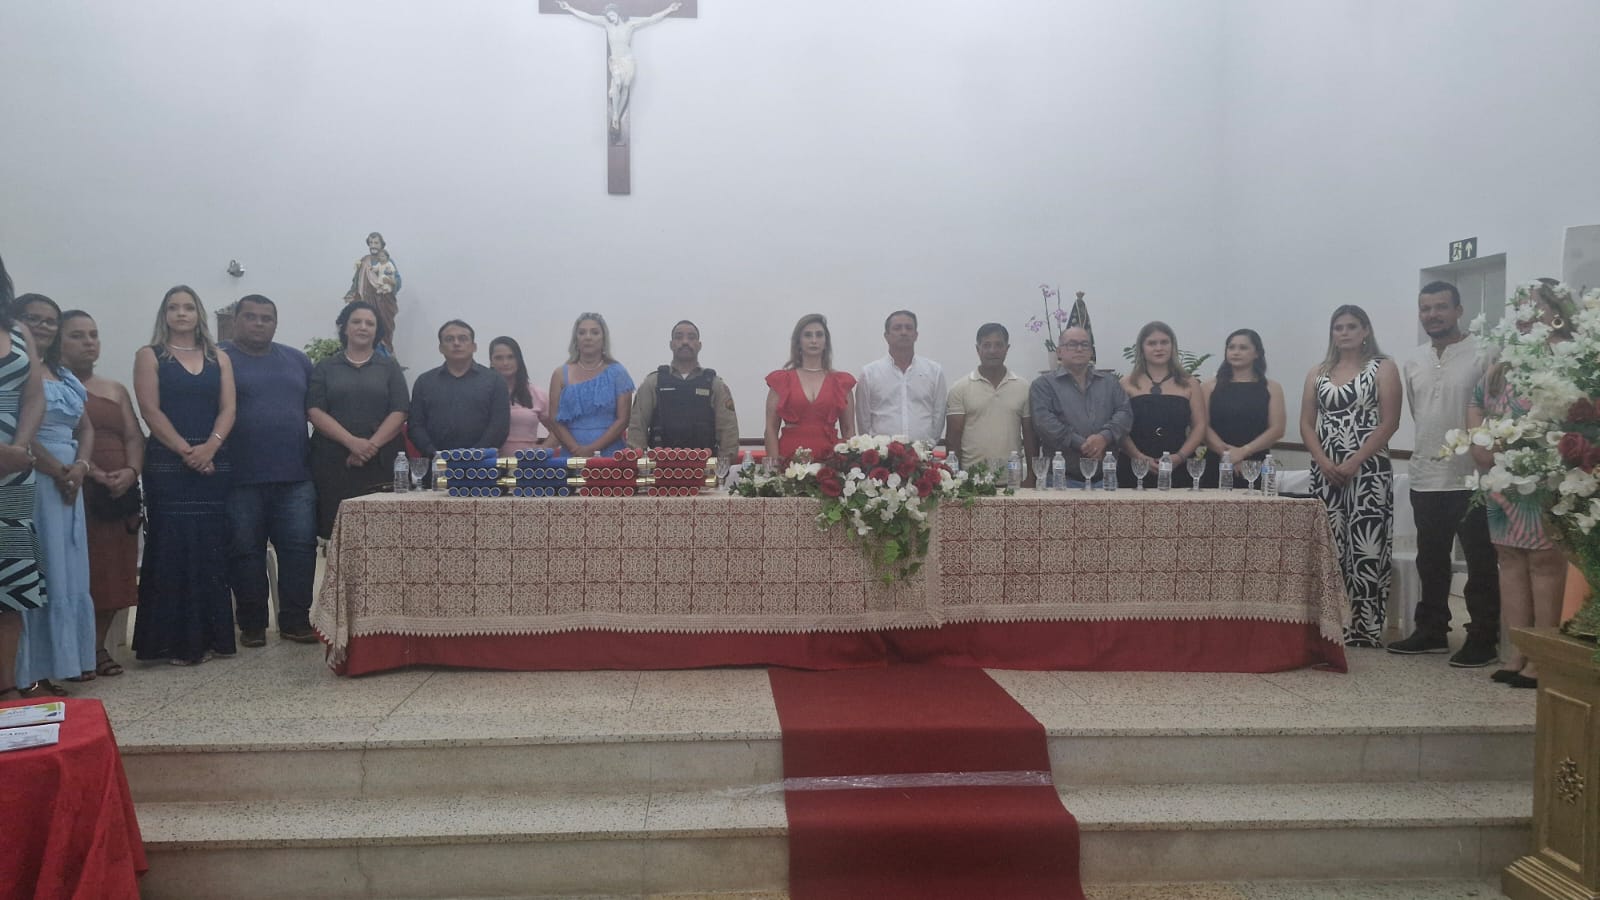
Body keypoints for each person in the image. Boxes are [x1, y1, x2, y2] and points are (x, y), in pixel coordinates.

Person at [1390, 282, 1501, 666]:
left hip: (1472, 478)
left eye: (1441, 307)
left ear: (1458, 310)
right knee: (1431, 560)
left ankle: (1483, 637)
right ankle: (1432, 631)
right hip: (1426, 473)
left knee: (1480, 562)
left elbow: (1494, 410)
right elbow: (1420, 412)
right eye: (1426, 308)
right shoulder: (1413, 360)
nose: (1433, 315)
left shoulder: (1485, 352)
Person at [1469, 281, 1573, 689]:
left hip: (1546, 477)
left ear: (1557, 311)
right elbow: (1477, 399)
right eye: (1520, 309)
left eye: (1534, 307)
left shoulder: (1567, 358)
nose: (1525, 315)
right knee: (1509, 560)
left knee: (1544, 564)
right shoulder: (1505, 362)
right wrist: (1479, 441)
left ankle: (1542, 658)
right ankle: (1517, 652)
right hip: (1504, 478)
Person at [132, 286, 238, 665]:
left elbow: (228, 409)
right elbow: (150, 410)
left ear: (198, 314)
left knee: (210, 548)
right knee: (172, 549)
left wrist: (210, 448)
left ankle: (211, 639)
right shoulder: (150, 355)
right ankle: (170, 643)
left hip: (213, 462)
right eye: (174, 308)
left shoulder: (218, 357)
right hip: (168, 464)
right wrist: (186, 451)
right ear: (164, 314)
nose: (181, 313)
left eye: (188, 307)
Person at [1301, 305, 1401, 648]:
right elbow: (1306, 423)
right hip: (1325, 470)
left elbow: (1390, 422)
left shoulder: (1383, 368)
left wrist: (1355, 460)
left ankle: (1364, 627)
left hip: (1368, 470)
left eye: (1351, 326)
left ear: (1365, 330)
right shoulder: (1317, 372)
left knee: (1365, 548)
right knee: (1330, 547)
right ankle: (1331, 624)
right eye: (1338, 327)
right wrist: (1323, 461)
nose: (1344, 333)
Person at [220, 295, 318, 646]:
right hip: (239, 476)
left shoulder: (297, 360)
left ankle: (295, 620)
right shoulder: (219, 358)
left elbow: (315, 409)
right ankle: (252, 624)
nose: (259, 323)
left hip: (295, 475)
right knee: (245, 551)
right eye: (251, 316)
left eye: (266, 318)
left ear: (275, 323)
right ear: (235, 321)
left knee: (299, 550)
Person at [12, 295, 95, 696]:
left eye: (50, 321)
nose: (44, 326)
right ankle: (25, 672)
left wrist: (80, 466)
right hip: (32, 479)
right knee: (38, 570)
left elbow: (86, 427)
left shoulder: (64, 374)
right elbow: (17, 429)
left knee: (66, 571)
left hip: (70, 484)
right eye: (34, 319)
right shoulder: (14, 369)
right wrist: (56, 470)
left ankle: (58, 664)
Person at [61, 310, 143, 677]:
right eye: (77, 335)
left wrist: (131, 471)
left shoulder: (114, 389)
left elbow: (133, 436)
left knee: (114, 570)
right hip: (74, 487)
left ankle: (96, 648)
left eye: (93, 335)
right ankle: (70, 653)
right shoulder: (50, 385)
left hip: (118, 492)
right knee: (82, 571)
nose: (88, 342)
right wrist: (91, 470)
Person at [307, 301, 409, 539]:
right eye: (356, 321)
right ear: (344, 327)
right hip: (335, 461)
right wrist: (352, 443)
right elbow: (314, 410)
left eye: (369, 323)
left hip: (381, 462)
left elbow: (400, 410)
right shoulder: (326, 367)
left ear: (377, 331)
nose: (363, 327)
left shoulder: (389, 367)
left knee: (382, 533)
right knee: (338, 533)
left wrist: (369, 447)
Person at [0, 255, 46, 701]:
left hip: (13, 471)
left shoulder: (17, 330)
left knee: (9, 585)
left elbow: (33, 395)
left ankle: (6, 689)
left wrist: (18, 448)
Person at [555, 1, 683, 139]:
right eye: (609, 16)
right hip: (616, 61)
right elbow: (587, 16)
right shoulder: (607, 24)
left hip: (628, 61)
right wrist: (570, 8)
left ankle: (616, 117)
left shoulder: (630, 25)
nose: (611, 18)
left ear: (618, 13)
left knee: (626, 85)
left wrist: (669, 9)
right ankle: (615, 115)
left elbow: (651, 19)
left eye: (612, 15)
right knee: (617, 83)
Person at [1029, 326, 1132, 488]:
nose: (1079, 349)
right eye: (1072, 344)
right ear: (1059, 352)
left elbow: (1125, 414)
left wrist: (1104, 437)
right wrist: (1085, 445)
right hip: (1061, 480)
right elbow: (1045, 423)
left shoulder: (1110, 383)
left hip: (1105, 479)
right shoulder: (1043, 385)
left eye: (1084, 344)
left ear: (1091, 351)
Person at [627, 320, 741, 457]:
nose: (685, 342)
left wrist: (724, 465)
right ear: (671, 344)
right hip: (660, 464)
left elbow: (728, 430)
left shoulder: (715, 384)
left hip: (705, 464)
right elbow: (637, 427)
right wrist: (639, 461)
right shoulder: (653, 383)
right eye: (679, 337)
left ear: (699, 345)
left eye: (691, 337)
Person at [945, 323, 1038, 483]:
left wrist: (1031, 475)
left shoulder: (1023, 387)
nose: (992, 351)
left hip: (1012, 480)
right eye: (986, 345)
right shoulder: (960, 388)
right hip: (972, 482)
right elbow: (953, 439)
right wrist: (955, 480)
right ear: (978, 349)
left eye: (998, 345)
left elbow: (1030, 435)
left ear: (1007, 348)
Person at [1118, 322, 1207, 488]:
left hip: (1178, 467)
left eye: (1164, 342)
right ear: (1142, 348)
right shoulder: (1126, 383)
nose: (1159, 348)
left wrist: (1180, 457)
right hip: (1134, 467)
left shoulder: (1190, 383)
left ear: (1173, 346)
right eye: (1152, 343)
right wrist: (1138, 457)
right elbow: (1119, 428)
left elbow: (1200, 426)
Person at [411, 319, 511, 457]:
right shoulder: (424, 382)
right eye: (449, 339)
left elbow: (499, 427)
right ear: (440, 348)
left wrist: (473, 455)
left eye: (463, 338)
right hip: (435, 462)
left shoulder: (495, 381)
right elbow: (415, 426)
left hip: (481, 464)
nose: (456, 343)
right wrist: (434, 454)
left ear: (474, 347)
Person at [765, 314, 857, 462]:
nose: (814, 340)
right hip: (788, 459)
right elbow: (771, 428)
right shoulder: (781, 380)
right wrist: (773, 466)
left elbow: (848, 429)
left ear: (826, 342)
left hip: (830, 460)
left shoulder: (841, 382)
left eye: (819, 335)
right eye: (808, 335)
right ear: (798, 342)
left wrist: (849, 466)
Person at [1200, 329, 1285, 487]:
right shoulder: (1208, 386)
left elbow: (1277, 429)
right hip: (1217, 461)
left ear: (1257, 353)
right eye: (1231, 347)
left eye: (1243, 348)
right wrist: (1228, 455)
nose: (1236, 352)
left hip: (1256, 463)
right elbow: (1202, 426)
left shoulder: (1272, 388)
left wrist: (1243, 452)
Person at [856, 310, 947, 445]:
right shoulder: (869, 373)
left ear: (916, 335)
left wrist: (928, 444)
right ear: (886, 336)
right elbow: (863, 420)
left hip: (924, 452)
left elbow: (939, 415)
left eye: (909, 328)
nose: (904, 332)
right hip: (882, 454)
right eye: (897, 328)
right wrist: (875, 449)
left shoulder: (934, 371)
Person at [548, 313, 633, 457]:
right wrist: (575, 449)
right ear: (575, 339)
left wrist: (591, 449)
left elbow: (623, 420)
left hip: (610, 455)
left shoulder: (619, 373)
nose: (588, 337)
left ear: (603, 338)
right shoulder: (559, 374)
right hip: (571, 455)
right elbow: (554, 419)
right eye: (582, 332)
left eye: (594, 332)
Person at [490, 336, 550, 457]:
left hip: (528, 465)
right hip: (490, 464)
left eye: (511, 357)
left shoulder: (537, 394)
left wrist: (542, 449)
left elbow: (558, 431)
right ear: (491, 362)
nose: (505, 363)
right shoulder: (483, 394)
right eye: (499, 358)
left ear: (519, 360)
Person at [343, 231, 400, 354]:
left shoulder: (387, 261)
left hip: (383, 301)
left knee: (384, 328)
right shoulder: (364, 261)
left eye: (376, 243)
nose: (373, 245)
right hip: (366, 301)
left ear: (381, 245)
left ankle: (385, 354)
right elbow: (357, 280)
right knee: (364, 326)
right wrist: (351, 293)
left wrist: (390, 282)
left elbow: (397, 280)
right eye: (371, 243)